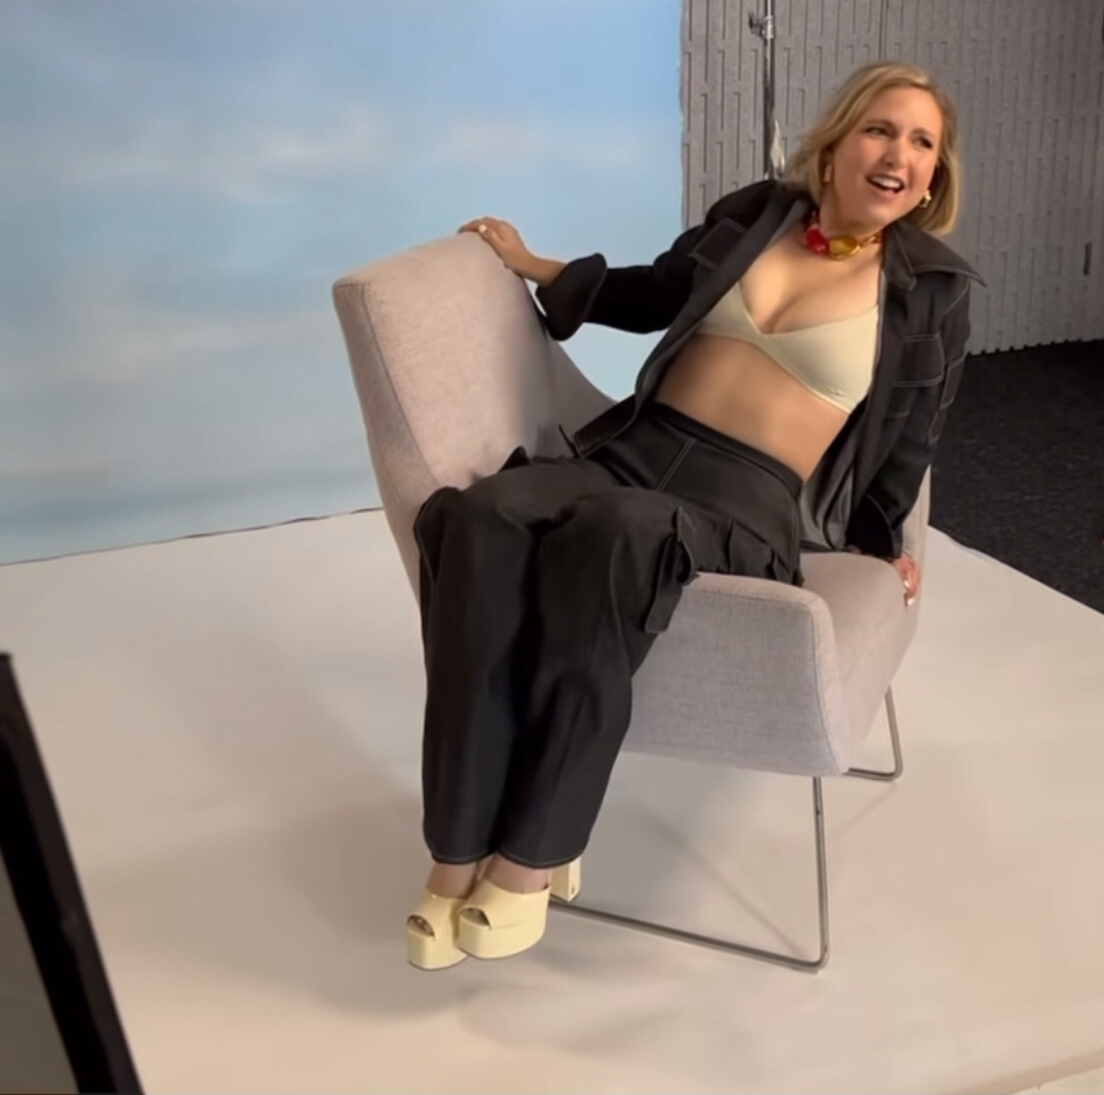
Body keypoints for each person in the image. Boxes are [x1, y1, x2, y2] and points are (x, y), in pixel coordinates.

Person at [406, 60, 983, 970]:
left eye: (921, 144)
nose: (897, 154)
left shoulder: (932, 290)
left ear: (931, 179)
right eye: (880, 128)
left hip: (744, 498)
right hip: (633, 450)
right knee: (477, 519)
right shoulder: (757, 215)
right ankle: (453, 850)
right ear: (836, 141)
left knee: (615, 536)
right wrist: (539, 267)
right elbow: (657, 292)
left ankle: (534, 854)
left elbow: (913, 432)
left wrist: (881, 545)